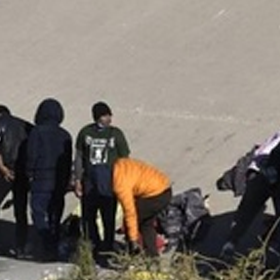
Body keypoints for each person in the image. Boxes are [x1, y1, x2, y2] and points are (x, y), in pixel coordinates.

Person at [74, 101, 130, 260]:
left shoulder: (116, 134)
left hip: (109, 184)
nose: (109, 118)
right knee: (88, 217)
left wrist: (122, 182)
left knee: (108, 218)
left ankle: (108, 247)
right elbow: (79, 157)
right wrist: (78, 179)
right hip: (90, 183)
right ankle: (93, 246)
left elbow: (125, 159)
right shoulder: (85, 133)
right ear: (98, 117)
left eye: (109, 115)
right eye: (105, 115)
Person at [26, 98, 72, 261]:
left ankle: (46, 243)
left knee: (38, 212)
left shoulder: (37, 132)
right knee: (55, 215)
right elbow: (67, 161)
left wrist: (29, 172)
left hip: (40, 179)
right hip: (59, 181)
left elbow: (31, 155)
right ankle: (54, 244)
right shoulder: (65, 135)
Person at [0, 104, 30, 256]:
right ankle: (21, 246)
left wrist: (1, 167)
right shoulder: (24, 125)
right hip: (22, 172)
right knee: (21, 209)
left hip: (4, 172)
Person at [113, 157, 172, 257]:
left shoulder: (120, 184)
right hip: (164, 187)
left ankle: (132, 254)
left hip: (156, 194)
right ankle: (152, 256)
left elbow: (130, 212)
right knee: (146, 223)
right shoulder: (120, 164)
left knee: (131, 222)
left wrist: (132, 238)